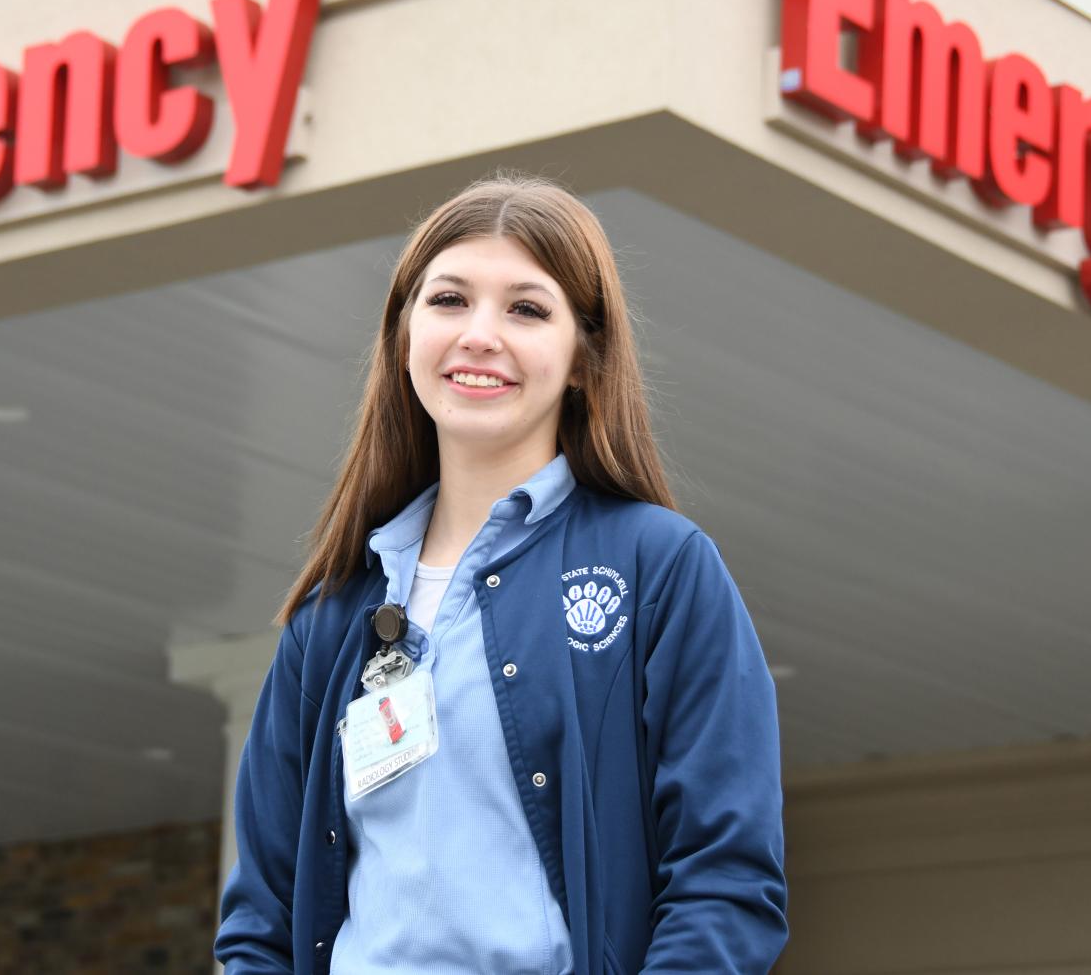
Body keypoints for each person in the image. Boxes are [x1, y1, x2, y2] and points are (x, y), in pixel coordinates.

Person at [213, 172, 788, 974]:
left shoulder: (660, 565)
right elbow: (261, 918)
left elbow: (725, 880)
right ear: (403, 334)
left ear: (586, 357)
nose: (480, 334)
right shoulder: (333, 614)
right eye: (449, 300)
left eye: (526, 308)